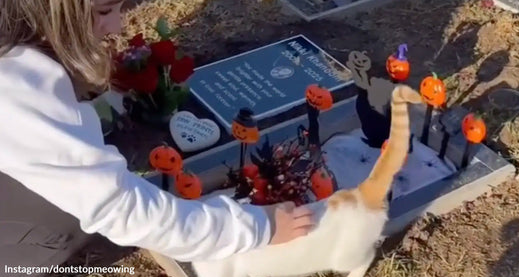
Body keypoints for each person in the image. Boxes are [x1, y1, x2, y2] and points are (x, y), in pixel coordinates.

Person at [0, 0, 314, 262]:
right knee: (67, 218)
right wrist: (260, 227)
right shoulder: (14, 89)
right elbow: (122, 209)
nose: (117, 27)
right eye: (104, 11)